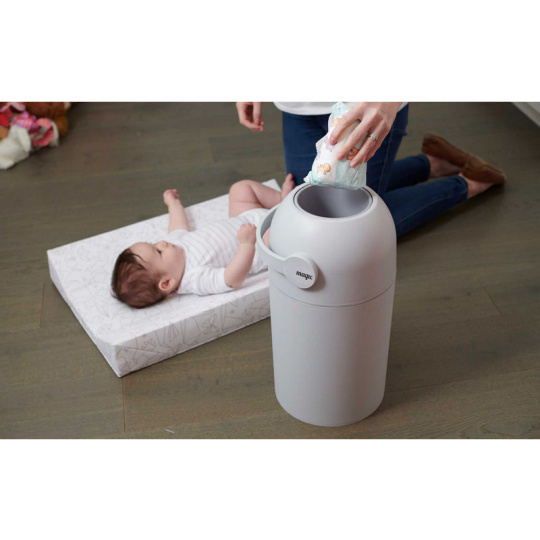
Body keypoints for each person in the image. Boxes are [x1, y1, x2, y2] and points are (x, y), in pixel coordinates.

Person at [236, 102, 506, 237]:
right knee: (313, 208)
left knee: (355, 232)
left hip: (367, 105)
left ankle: (468, 181)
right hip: (298, 105)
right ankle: (432, 162)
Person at [111, 176, 295, 308]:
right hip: (259, 242)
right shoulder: (194, 278)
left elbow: (177, 224)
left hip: (244, 218)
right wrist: (246, 244)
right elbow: (231, 279)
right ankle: (289, 211)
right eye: (158, 252)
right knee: (275, 235)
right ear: (167, 282)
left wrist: (173, 204)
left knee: (240, 189)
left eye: (153, 244)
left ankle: (280, 200)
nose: (162, 243)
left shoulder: (174, 244)